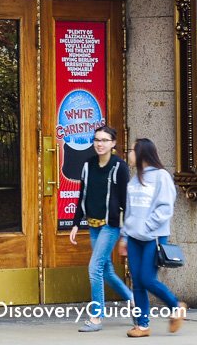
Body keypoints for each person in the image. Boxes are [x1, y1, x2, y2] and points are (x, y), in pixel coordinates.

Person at [69, 125, 133, 332]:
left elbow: (126, 201)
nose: (100, 143)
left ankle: (96, 317)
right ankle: (133, 300)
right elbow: (82, 194)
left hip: (111, 225)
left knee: (94, 268)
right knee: (106, 270)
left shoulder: (119, 167)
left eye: (104, 140)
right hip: (93, 224)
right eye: (97, 139)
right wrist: (76, 223)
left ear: (113, 143)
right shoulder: (88, 164)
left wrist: (125, 232)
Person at [119, 139, 187, 338]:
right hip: (133, 238)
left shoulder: (161, 177)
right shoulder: (134, 180)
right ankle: (142, 325)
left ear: (141, 153)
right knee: (137, 283)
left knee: (148, 279)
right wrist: (124, 236)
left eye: (131, 150)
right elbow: (129, 211)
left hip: (153, 237)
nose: (128, 154)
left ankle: (176, 306)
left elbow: (166, 207)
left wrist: (147, 227)